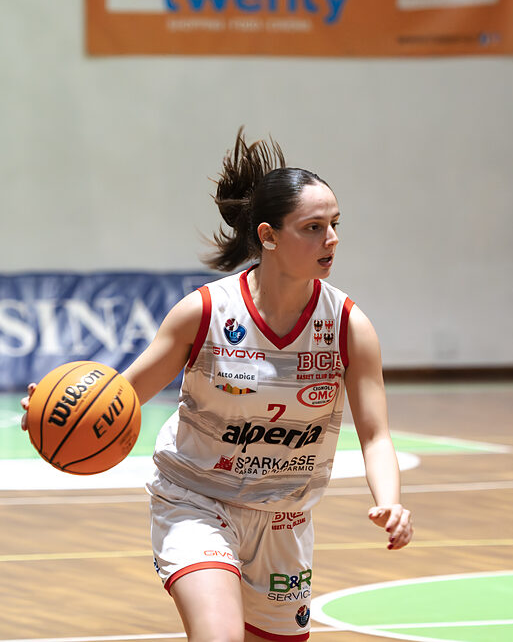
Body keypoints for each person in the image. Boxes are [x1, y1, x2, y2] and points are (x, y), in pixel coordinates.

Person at [22, 129, 413, 641]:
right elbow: (122, 395)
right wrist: (57, 408)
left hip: (284, 517)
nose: (332, 239)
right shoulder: (205, 312)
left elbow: (375, 434)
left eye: (335, 224)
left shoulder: (347, 325)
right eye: (314, 227)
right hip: (195, 499)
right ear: (269, 236)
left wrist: (391, 500)